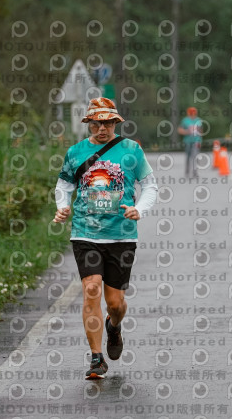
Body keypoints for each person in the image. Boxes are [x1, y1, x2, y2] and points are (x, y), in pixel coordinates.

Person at [53, 97, 158, 379]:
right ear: (89, 123)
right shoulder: (76, 152)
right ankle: (96, 358)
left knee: (115, 303)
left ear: (116, 123)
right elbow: (64, 185)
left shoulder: (131, 150)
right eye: (97, 123)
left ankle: (114, 326)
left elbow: (150, 185)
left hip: (121, 235)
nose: (103, 128)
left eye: (108, 123)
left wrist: (139, 209)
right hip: (85, 233)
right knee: (91, 289)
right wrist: (62, 206)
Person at [178, 106, 203, 177]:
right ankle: (187, 171)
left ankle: (195, 172)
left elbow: (201, 131)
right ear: (188, 113)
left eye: (194, 113)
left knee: (195, 156)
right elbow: (179, 130)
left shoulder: (198, 120)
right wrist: (187, 132)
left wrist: (198, 132)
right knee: (188, 156)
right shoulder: (185, 120)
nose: (193, 115)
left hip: (196, 141)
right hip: (188, 141)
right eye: (191, 113)